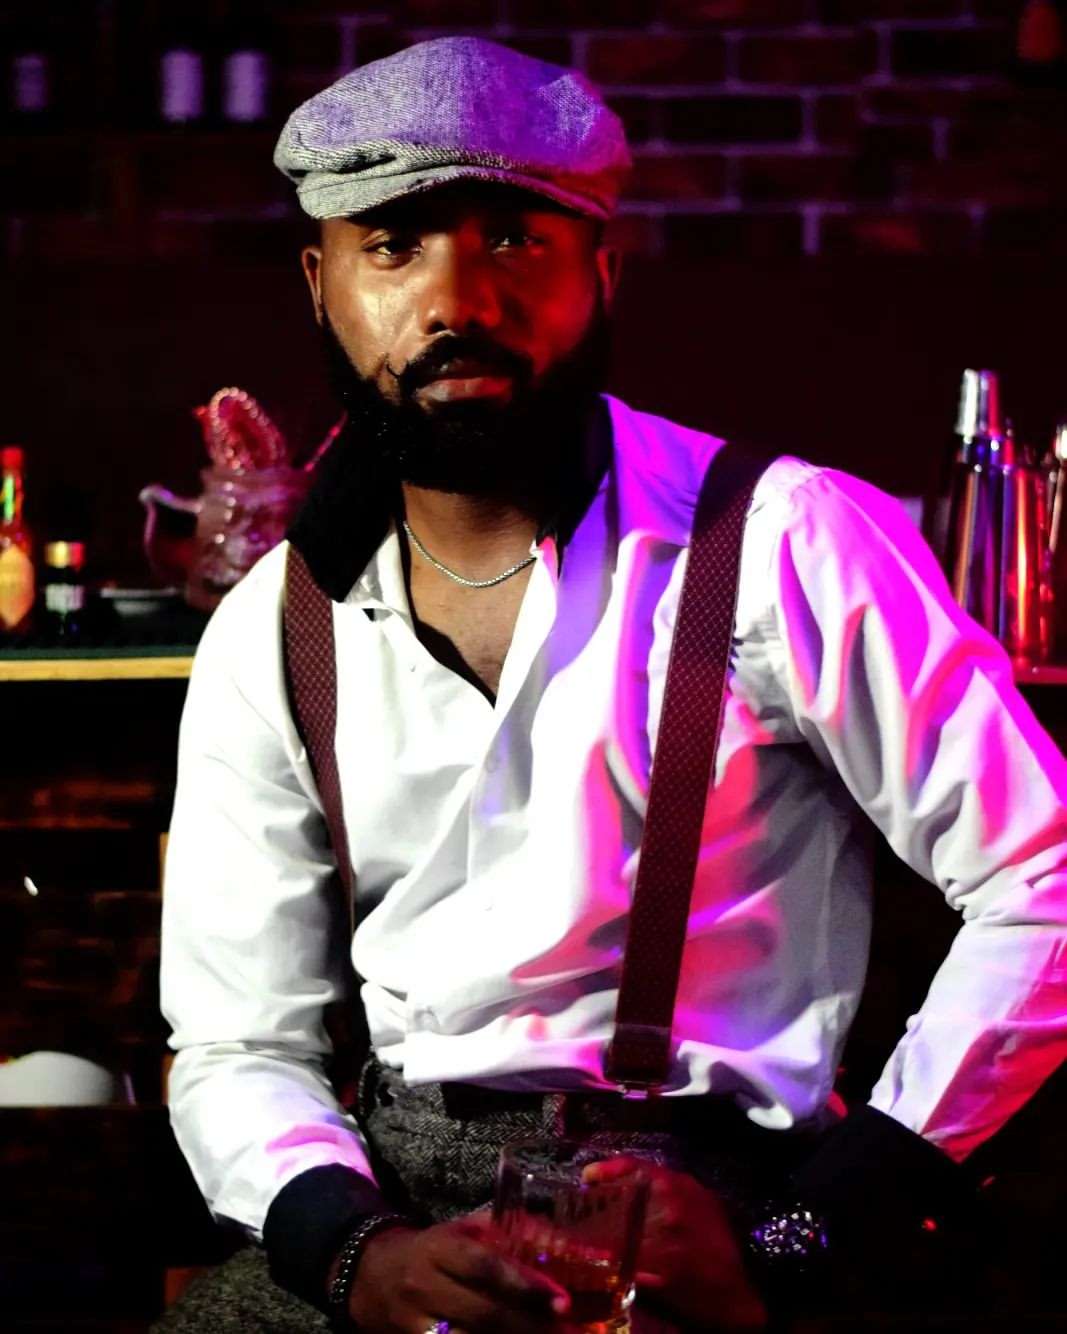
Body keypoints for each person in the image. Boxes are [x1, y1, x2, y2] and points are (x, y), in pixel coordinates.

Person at [156, 35, 1067, 1334]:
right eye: (394, 247)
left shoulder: (783, 541)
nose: (458, 301)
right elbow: (238, 1042)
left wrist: (807, 1232)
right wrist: (356, 1251)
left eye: (512, 241)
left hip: (725, 1196)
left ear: (604, 270)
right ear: (321, 283)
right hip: (396, 1202)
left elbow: (1047, 883)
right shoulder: (273, 628)